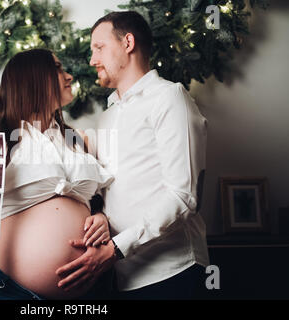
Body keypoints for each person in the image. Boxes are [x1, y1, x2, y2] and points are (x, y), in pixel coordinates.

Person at [55, 11, 210, 300]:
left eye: (98, 47)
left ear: (128, 42)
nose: (91, 60)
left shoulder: (169, 98)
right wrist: (102, 216)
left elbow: (183, 196)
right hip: (123, 279)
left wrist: (116, 249)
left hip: (174, 273)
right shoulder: (107, 117)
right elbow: (112, 187)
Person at [0, 48, 114, 300]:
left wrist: (101, 218)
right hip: (8, 292)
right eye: (58, 69)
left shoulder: (77, 140)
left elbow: (97, 201)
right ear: (33, 77)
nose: (68, 76)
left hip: (84, 294)